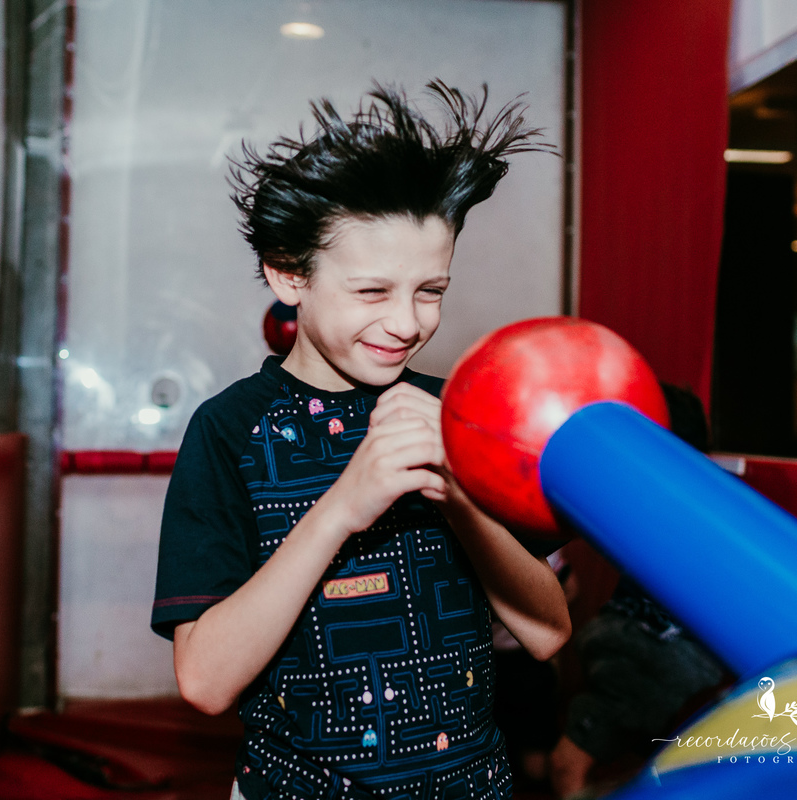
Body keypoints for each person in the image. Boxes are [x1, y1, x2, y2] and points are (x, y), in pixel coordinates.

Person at [150, 81, 571, 800]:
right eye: (373, 292)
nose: (407, 323)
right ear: (290, 275)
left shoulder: (459, 413)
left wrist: (460, 499)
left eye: (430, 290)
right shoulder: (230, 432)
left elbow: (547, 633)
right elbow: (205, 682)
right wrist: (343, 505)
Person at [547, 385, 729, 799]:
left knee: (565, 764)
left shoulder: (680, 505)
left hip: (653, 658)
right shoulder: (679, 499)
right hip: (646, 654)